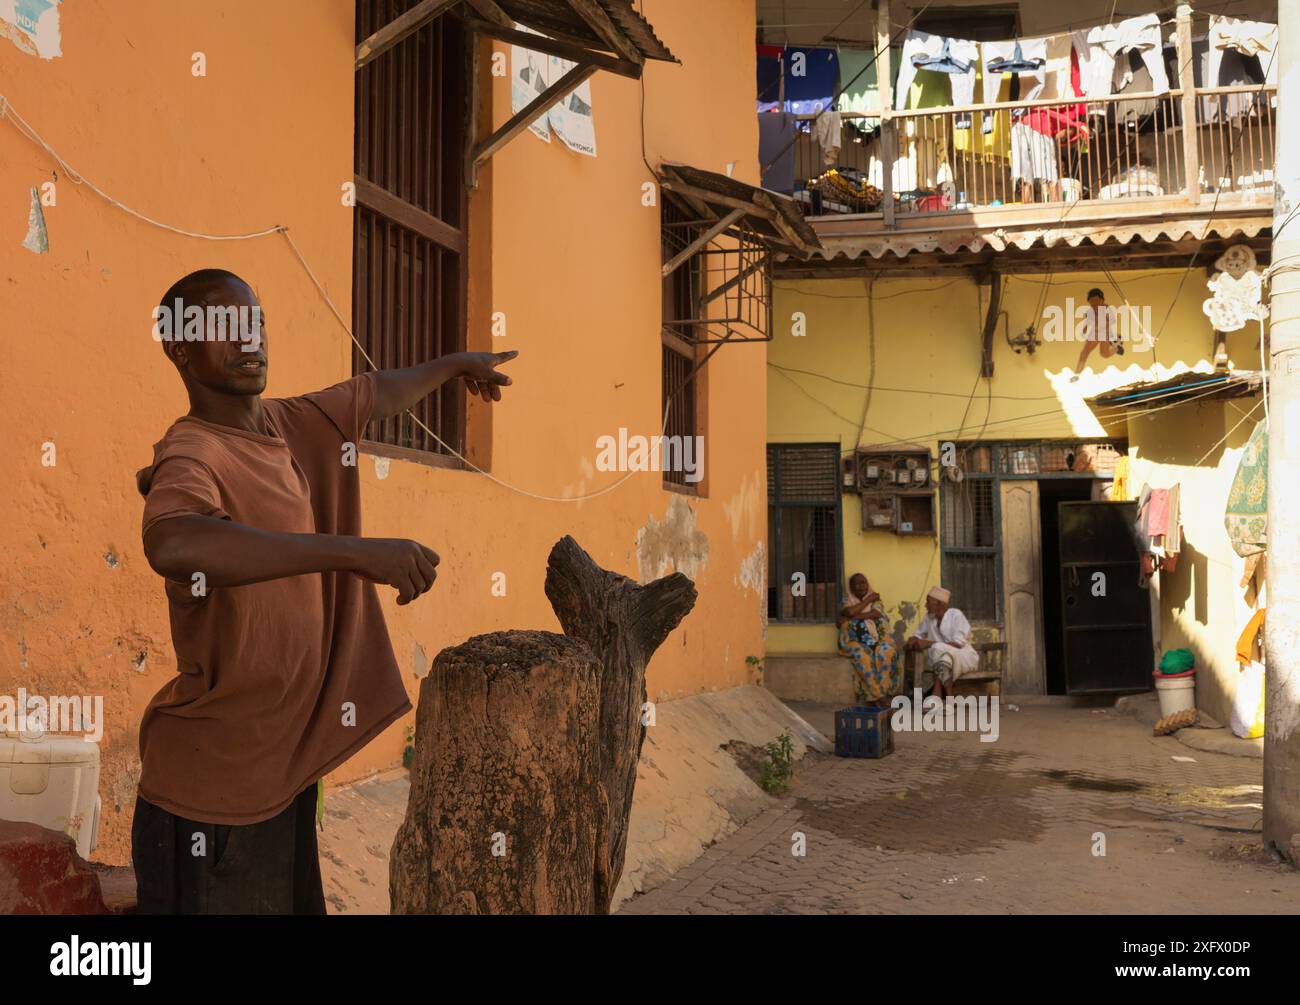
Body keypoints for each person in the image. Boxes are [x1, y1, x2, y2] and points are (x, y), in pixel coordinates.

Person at [132, 268, 517, 914]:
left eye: (254, 322)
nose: (248, 339)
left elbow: (374, 392)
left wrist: (454, 365)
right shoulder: (192, 454)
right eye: (223, 327)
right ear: (179, 348)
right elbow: (172, 542)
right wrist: (354, 555)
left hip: (283, 784)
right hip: (211, 800)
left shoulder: (291, 424)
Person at [904, 586, 979, 698]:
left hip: (964, 657)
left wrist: (929, 643)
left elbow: (958, 644)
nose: (925, 605)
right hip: (943, 660)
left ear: (939, 604)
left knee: (939, 650)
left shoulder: (956, 615)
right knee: (943, 657)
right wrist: (912, 640)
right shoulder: (928, 617)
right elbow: (918, 634)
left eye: (928, 602)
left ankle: (937, 695)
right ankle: (946, 698)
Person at [837, 573, 900, 705]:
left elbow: (876, 614)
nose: (861, 586)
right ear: (851, 587)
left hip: (879, 639)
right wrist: (868, 600)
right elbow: (849, 612)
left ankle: (882, 694)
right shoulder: (847, 600)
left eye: (864, 583)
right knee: (863, 657)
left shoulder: (876, 600)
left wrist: (852, 617)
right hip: (852, 641)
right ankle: (880, 696)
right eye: (857, 584)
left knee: (886, 652)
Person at [1073, 286, 1125, 377]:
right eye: (1092, 303)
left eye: (1096, 302)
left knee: (1104, 354)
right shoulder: (1090, 311)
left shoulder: (1106, 309)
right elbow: (1088, 321)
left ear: (1102, 301)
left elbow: (1112, 320)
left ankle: (1116, 346)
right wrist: (1084, 329)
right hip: (1094, 334)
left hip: (1105, 334)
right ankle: (1077, 373)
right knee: (1085, 352)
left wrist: (1102, 324)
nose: (1094, 305)